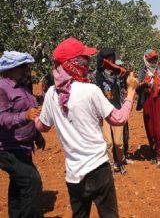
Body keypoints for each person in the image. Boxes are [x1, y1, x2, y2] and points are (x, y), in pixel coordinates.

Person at [35, 37, 138, 218]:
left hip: (73, 176)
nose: (88, 62)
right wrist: (130, 91)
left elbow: (42, 126)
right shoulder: (90, 90)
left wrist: (31, 117)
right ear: (75, 64)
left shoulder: (51, 94)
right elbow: (120, 118)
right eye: (85, 59)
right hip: (98, 170)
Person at [0, 51, 45, 218]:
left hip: (23, 146)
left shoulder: (24, 87)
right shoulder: (2, 88)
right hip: (8, 148)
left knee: (18, 185)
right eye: (22, 67)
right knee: (32, 181)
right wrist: (24, 116)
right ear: (10, 69)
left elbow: (31, 114)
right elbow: (2, 117)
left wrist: (36, 136)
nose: (26, 70)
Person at [94, 48, 128, 174]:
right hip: (103, 112)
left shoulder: (117, 73)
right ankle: (112, 164)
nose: (109, 61)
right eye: (107, 59)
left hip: (116, 109)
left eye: (111, 58)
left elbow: (128, 77)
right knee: (108, 142)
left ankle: (122, 160)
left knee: (118, 142)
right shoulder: (96, 75)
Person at [136, 49, 160, 168]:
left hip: (158, 101)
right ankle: (153, 154)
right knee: (150, 128)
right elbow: (137, 89)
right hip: (148, 102)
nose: (154, 61)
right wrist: (142, 84)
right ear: (147, 60)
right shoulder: (143, 72)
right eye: (151, 59)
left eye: (155, 58)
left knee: (159, 129)